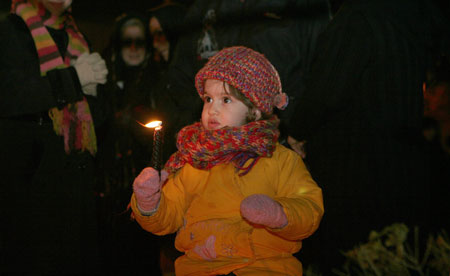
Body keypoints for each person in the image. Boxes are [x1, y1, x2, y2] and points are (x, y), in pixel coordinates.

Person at [130, 46, 324, 275]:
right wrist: (149, 203)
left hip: (265, 266)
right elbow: (168, 217)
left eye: (226, 100)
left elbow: (310, 207)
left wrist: (280, 213)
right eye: (208, 99)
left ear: (255, 110)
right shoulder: (192, 160)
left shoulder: (281, 160)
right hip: (201, 268)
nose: (212, 109)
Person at [286, 0, 450, 273]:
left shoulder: (357, 18)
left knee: (347, 257)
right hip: (400, 167)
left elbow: (327, 91)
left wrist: (298, 129)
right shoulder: (413, 17)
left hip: (351, 166)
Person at [0, 0, 108, 274]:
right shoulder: (11, 30)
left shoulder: (75, 34)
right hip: (32, 178)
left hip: (74, 174)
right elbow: (12, 95)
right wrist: (74, 79)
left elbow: (94, 116)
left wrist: (94, 91)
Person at [94, 13, 164, 276]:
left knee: (143, 255)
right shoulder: (104, 80)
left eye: (140, 41)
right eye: (127, 42)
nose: (134, 49)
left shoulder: (158, 77)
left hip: (146, 182)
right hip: (107, 185)